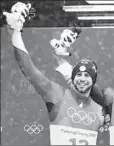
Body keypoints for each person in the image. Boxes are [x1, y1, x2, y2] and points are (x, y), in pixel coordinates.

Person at [4, 2, 107, 145]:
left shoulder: (101, 111)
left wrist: (60, 59)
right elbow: (28, 68)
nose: (82, 79)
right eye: (78, 75)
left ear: (93, 80)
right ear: (72, 76)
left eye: (87, 76)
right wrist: (16, 33)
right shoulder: (56, 95)